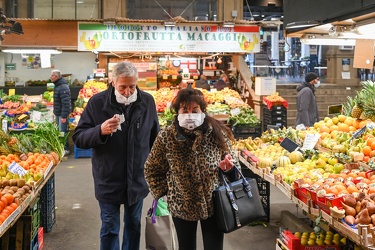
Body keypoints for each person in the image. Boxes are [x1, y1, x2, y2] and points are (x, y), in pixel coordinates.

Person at [72, 61, 160, 250]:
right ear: (113, 82)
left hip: (137, 179)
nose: (128, 91)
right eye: (123, 87)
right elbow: (78, 137)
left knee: (133, 226)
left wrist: (159, 172)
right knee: (110, 228)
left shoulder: (147, 102)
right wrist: (100, 131)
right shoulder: (97, 103)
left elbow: (155, 139)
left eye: (132, 86)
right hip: (108, 179)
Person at [144, 87, 239, 250]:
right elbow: (151, 168)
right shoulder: (167, 137)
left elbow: (235, 169)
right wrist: (165, 193)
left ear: (203, 112)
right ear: (177, 112)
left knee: (214, 247)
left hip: (214, 203)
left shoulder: (217, 134)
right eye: (185, 110)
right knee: (186, 246)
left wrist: (228, 169)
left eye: (195, 110)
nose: (189, 115)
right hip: (182, 204)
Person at [51, 69, 71, 155]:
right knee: (60, 132)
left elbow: (66, 103)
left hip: (62, 114)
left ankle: (66, 149)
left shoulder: (63, 87)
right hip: (58, 113)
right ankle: (61, 148)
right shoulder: (58, 85)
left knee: (62, 132)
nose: (50, 77)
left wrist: (63, 116)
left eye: (52, 75)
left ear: (57, 77)